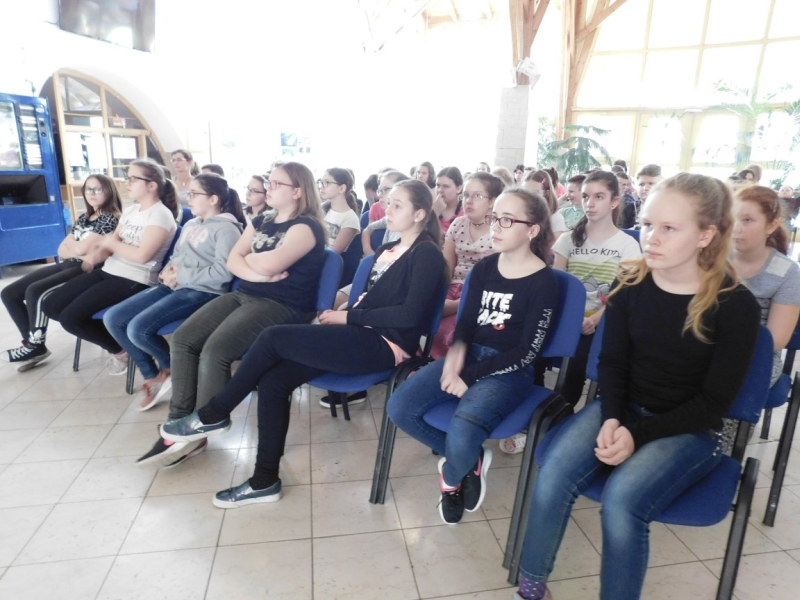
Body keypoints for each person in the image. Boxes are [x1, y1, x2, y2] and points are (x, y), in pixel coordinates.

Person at [514, 173, 761, 600]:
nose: (652, 237)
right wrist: (613, 418)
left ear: (705, 235)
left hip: (691, 429)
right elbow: (613, 363)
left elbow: (714, 403)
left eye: (669, 228)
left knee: (623, 501)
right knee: (553, 473)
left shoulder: (734, 304)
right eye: (647, 224)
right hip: (623, 408)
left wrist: (636, 433)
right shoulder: (630, 282)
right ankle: (532, 587)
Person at [159, 179, 448, 506]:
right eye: (388, 202)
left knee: (273, 337)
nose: (387, 209)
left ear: (420, 214)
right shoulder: (388, 249)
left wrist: (348, 317)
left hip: (386, 345)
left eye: (398, 205)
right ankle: (264, 480)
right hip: (358, 334)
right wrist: (345, 310)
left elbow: (410, 316)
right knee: (274, 381)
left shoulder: (427, 254)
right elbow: (374, 299)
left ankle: (215, 411)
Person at [135, 161, 327, 466]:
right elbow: (233, 261)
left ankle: (205, 422)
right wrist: (259, 273)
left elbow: (266, 263)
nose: (269, 188)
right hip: (248, 293)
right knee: (183, 339)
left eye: (277, 184)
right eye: (269, 181)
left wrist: (253, 263)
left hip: (284, 305)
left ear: (298, 191)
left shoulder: (306, 227)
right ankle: (180, 420)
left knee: (216, 350)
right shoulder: (261, 219)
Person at [387, 187, 559, 524]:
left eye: (507, 220)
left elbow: (528, 351)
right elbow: (466, 322)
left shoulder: (544, 283)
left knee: (464, 427)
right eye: (495, 217)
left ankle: (451, 479)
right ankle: (470, 459)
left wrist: (467, 375)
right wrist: (456, 357)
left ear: (532, 230)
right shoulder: (485, 268)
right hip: (471, 356)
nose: (495, 226)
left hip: (510, 369)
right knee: (400, 408)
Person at [103, 173, 245, 411]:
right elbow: (177, 256)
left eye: (195, 193)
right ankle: (155, 374)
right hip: (174, 284)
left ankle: (172, 371)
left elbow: (223, 273)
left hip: (203, 292)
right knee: (113, 318)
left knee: (138, 329)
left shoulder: (227, 230)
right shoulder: (191, 224)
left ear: (213, 199)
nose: (189, 198)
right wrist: (166, 273)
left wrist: (181, 275)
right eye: (189, 193)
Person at [41, 159, 178, 374]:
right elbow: (110, 245)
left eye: (133, 179)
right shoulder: (132, 211)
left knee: (70, 318)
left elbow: (142, 256)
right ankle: (122, 345)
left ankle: (121, 351)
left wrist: (110, 243)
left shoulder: (160, 214)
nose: (127, 182)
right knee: (51, 305)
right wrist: (95, 255)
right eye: (127, 177)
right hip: (109, 270)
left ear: (152, 185)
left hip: (135, 279)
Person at [1, 174, 122, 370]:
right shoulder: (84, 217)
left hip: (83, 269)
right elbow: (61, 250)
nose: (91, 193)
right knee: (9, 293)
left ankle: (36, 345)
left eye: (98, 189)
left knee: (35, 291)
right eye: (88, 189)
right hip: (68, 263)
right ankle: (31, 343)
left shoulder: (110, 218)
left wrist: (76, 247)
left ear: (109, 191)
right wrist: (77, 249)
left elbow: (80, 248)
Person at [554, 171, 641, 407]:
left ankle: (565, 409)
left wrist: (595, 320)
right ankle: (546, 407)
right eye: (585, 196)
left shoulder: (628, 245)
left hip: (604, 321)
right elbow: (559, 286)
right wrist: (572, 318)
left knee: (578, 361)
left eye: (599, 197)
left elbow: (622, 294)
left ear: (614, 201)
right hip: (569, 319)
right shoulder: (567, 240)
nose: (590, 204)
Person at [731, 185, 800, 385]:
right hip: (707, 349)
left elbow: (775, 340)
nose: (736, 227)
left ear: (771, 226)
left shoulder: (788, 273)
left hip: (757, 355)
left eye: (747, 220)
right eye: (732, 218)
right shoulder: (713, 260)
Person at [431, 172, 503, 359]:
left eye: (477, 196)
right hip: (453, 287)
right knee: (420, 316)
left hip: (480, 292)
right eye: (466, 195)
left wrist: (458, 304)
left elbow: (498, 279)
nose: (469, 201)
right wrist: (438, 294)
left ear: (492, 201)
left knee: (445, 334)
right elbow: (447, 267)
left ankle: (445, 370)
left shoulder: (500, 229)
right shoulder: (458, 224)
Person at [318, 167, 361, 254]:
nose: (321, 187)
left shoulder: (350, 219)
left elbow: (333, 253)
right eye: (321, 182)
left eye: (327, 183)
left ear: (341, 188)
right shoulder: (321, 208)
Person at [523, 170, 566, 241]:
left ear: (547, 193)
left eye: (535, 193)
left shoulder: (555, 219)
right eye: (525, 192)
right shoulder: (520, 214)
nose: (528, 197)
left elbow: (554, 247)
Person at [433, 166, 465, 236]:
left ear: (459, 188)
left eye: (445, 186)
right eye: (438, 185)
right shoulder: (429, 208)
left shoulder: (466, 212)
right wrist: (434, 213)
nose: (440, 190)